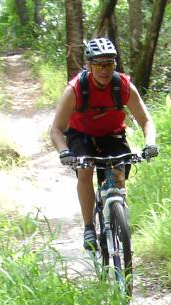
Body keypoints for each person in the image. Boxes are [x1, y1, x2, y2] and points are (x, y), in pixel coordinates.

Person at [49, 37, 158, 252]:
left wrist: (150, 143)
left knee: (118, 173)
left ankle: (118, 217)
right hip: (81, 135)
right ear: (89, 66)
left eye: (109, 64)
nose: (104, 70)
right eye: (98, 64)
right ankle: (89, 226)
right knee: (85, 170)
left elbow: (146, 120)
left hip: (112, 135)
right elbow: (56, 130)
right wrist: (64, 152)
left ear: (114, 65)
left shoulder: (123, 86)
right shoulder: (75, 89)